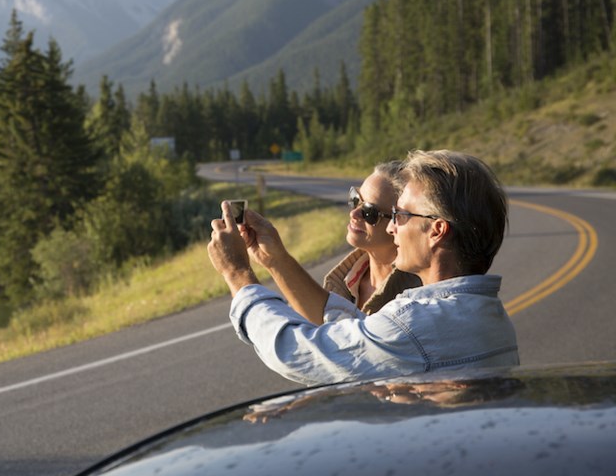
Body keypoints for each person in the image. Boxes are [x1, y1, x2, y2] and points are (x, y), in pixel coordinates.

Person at [207, 149, 519, 386]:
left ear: (436, 231)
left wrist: (237, 276)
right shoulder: (487, 313)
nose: (393, 228)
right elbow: (356, 330)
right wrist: (274, 258)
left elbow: (297, 350)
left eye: (400, 216)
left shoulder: (413, 324)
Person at [249, 160, 420, 325]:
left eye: (369, 212)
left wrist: (238, 273)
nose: (354, 214)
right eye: (355, 199)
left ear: (399, 223)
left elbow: (343, 343)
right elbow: (321, 325)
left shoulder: (413, 298)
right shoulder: (346, 281)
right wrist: (273, 259)